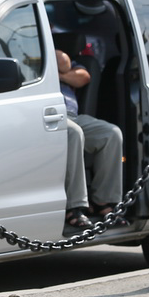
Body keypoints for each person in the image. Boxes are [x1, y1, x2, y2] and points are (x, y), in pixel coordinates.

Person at [56, 48, 127, 236]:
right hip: (50, 115)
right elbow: (64, 64)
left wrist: (60, 76)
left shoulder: (64, 57)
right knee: (74, 133)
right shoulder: (32, 54)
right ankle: (75, 207)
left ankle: (103, 201)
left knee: (111, 134)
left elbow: (82, 77)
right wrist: (62, 73)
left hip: (72, 114)